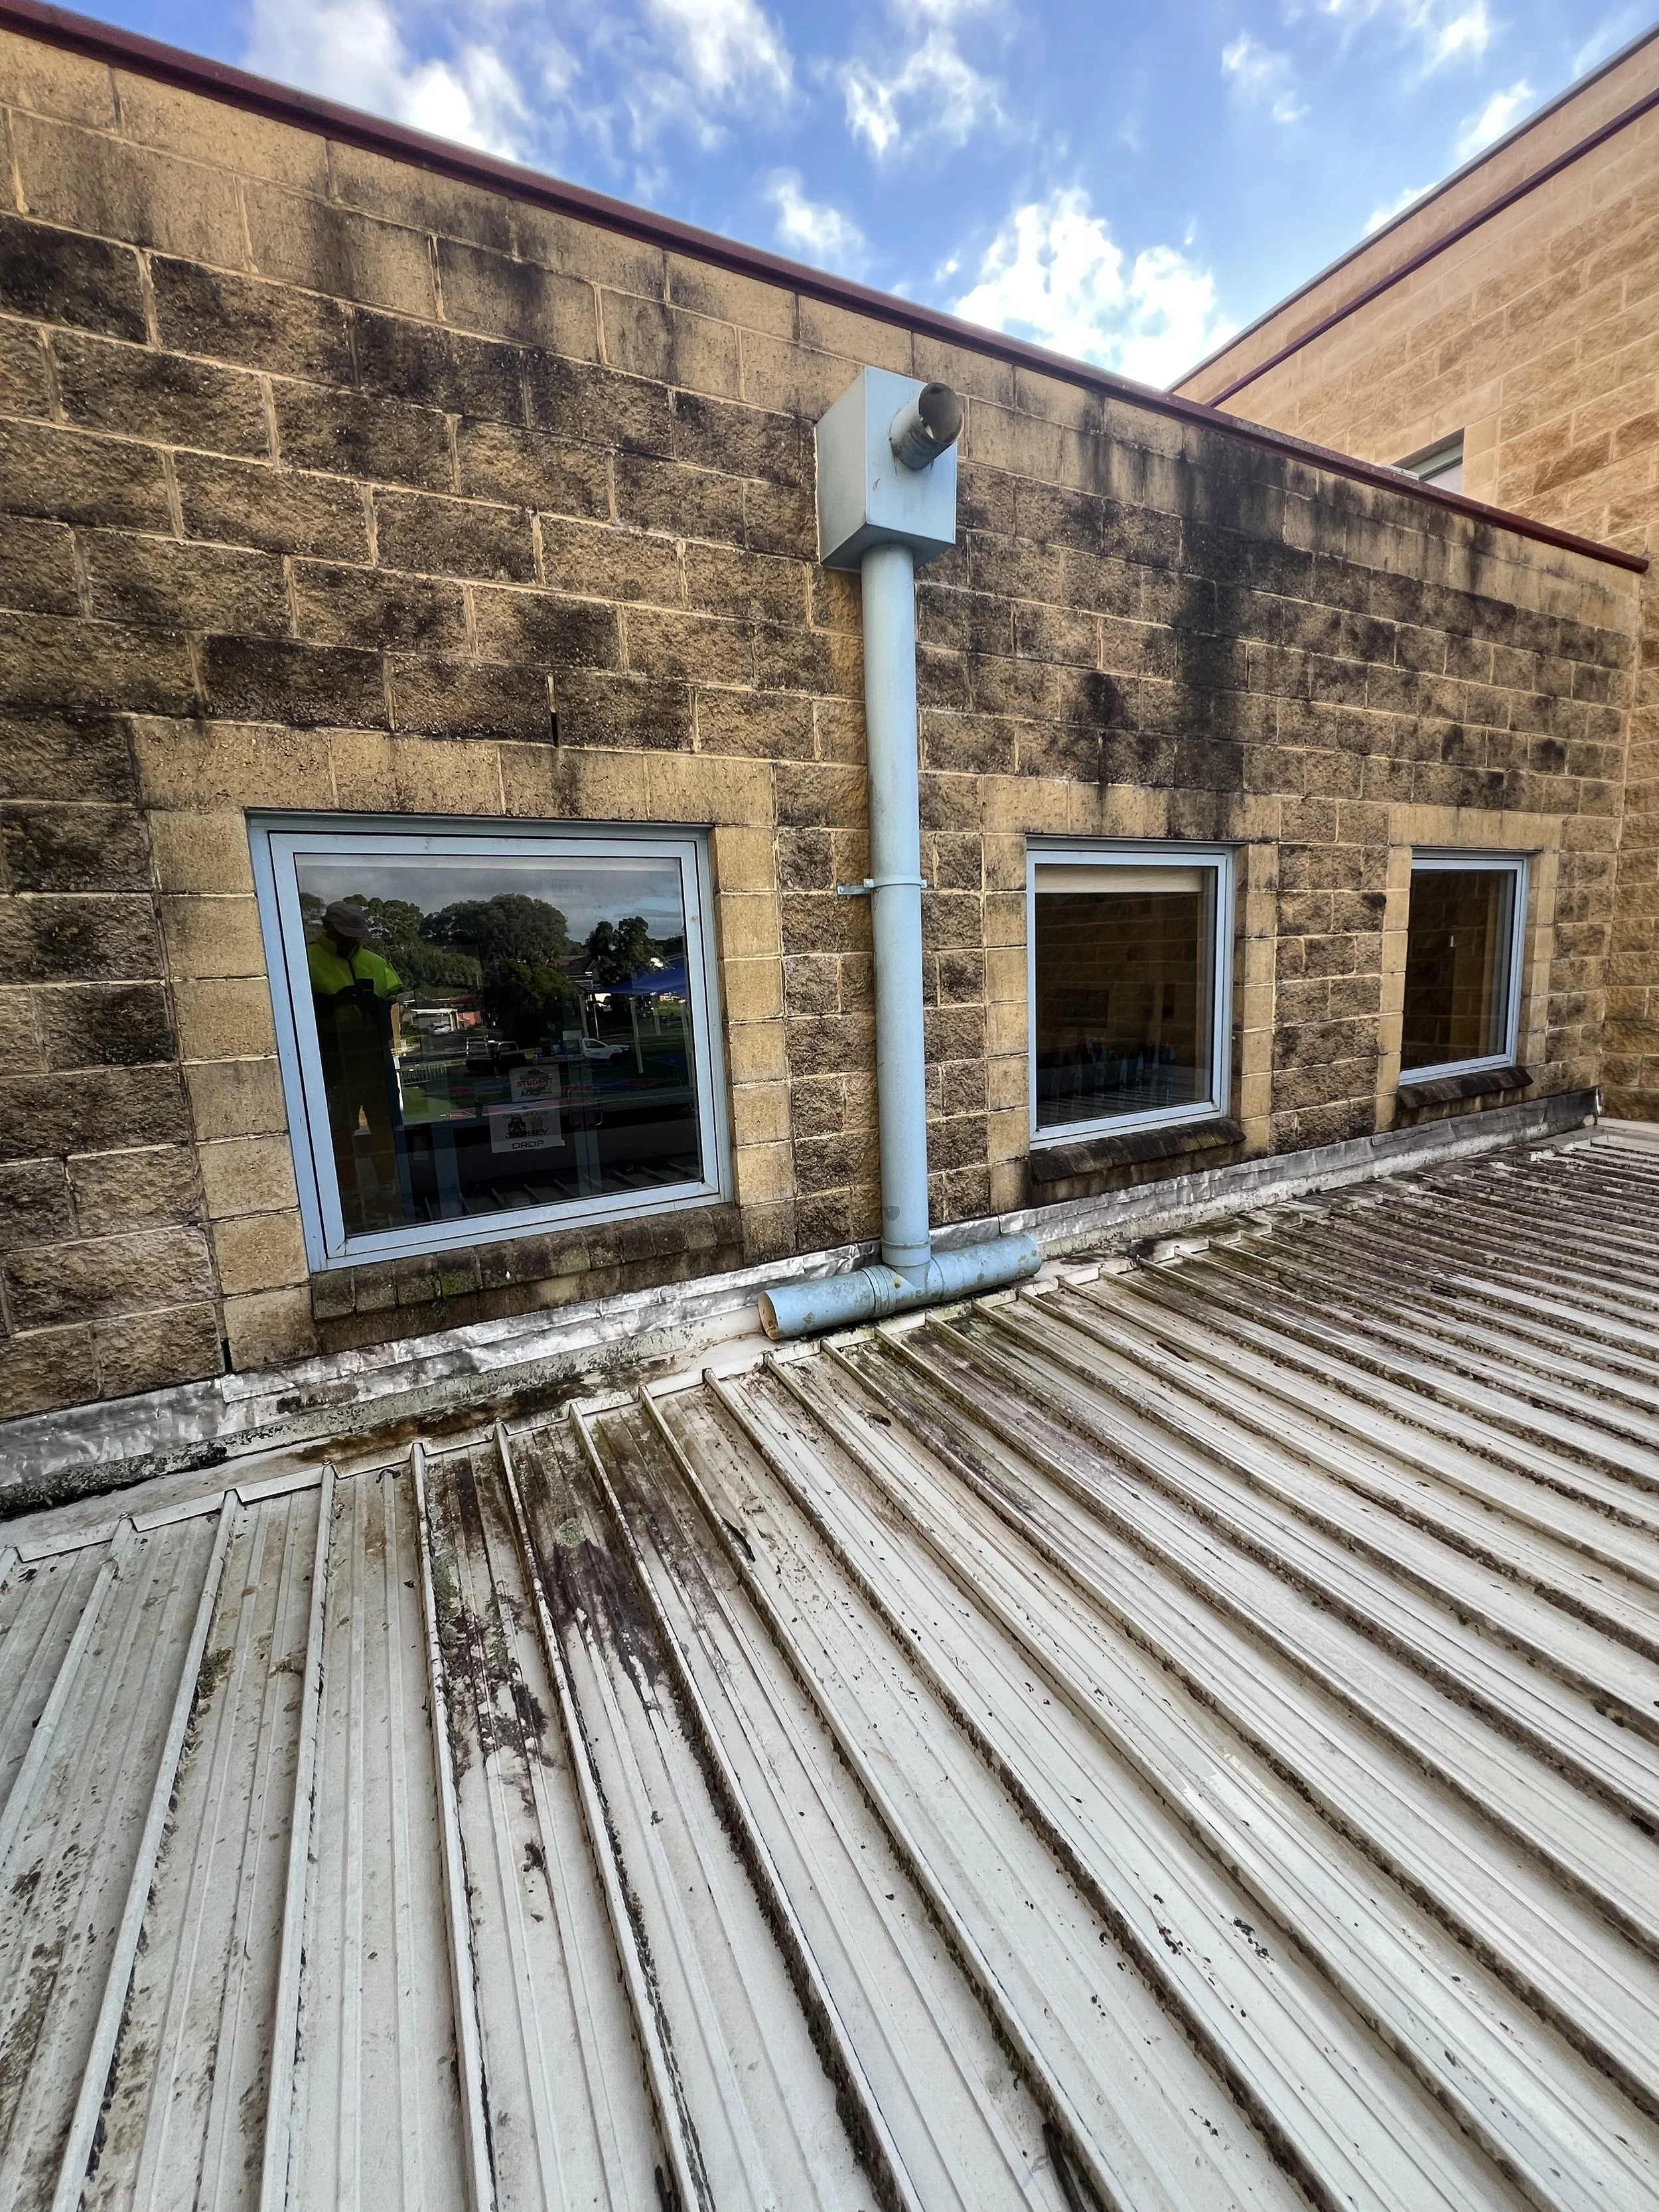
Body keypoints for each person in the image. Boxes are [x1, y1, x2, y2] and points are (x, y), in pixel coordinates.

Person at [308, 901, 405, 1228]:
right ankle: (349, 1199)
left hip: (374, 1058)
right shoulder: (306, 960)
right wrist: (333, 1004)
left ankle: (387, 1191)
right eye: (343, 932)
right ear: (328, 927)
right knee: (339, 1132)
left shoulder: (375, 963)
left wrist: (374, 1005)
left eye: (354, 934)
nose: (350, 939)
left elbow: (393, 1008)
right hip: (334, 1060)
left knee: (383, 1126)